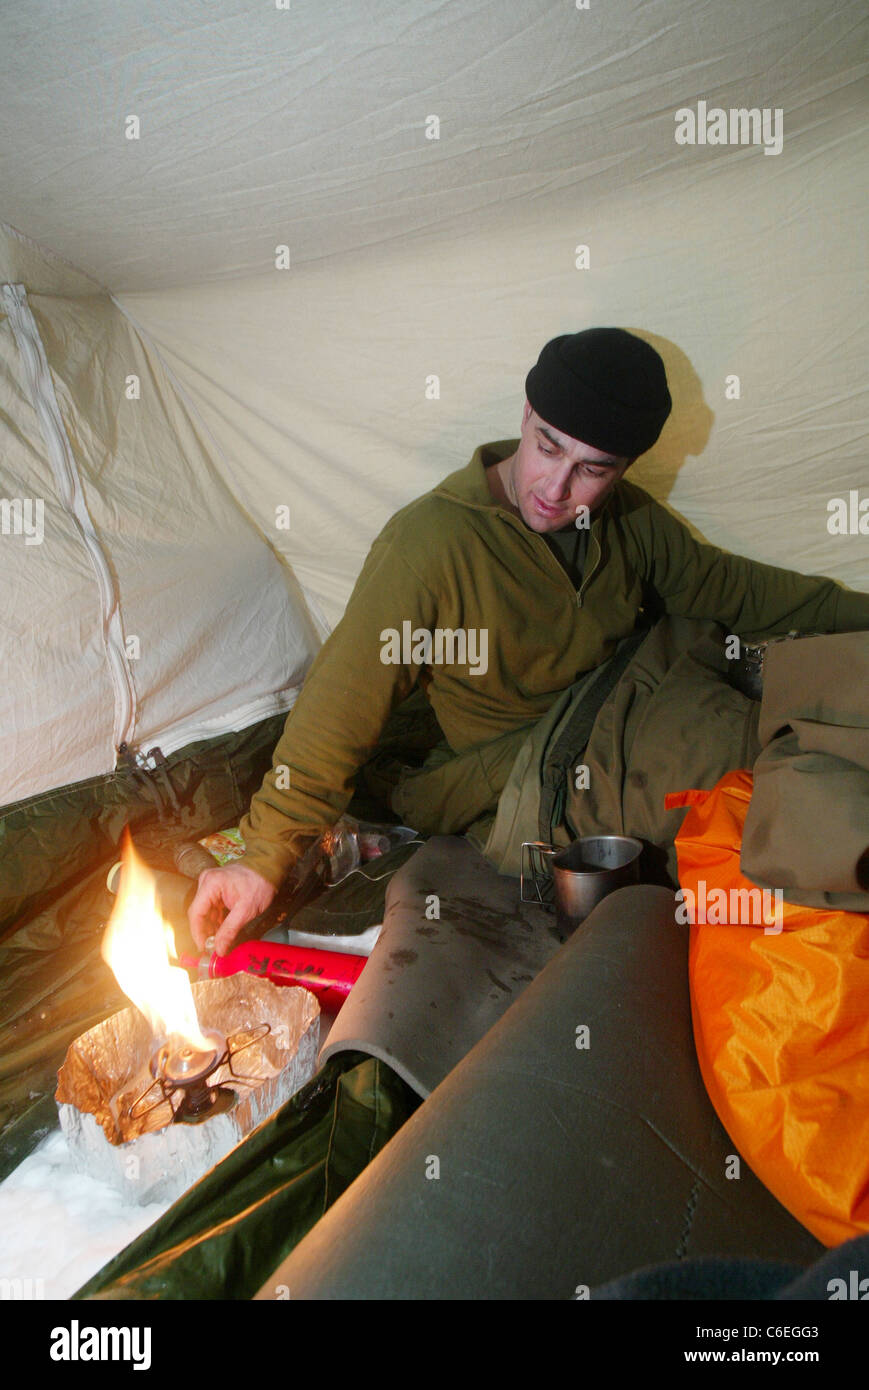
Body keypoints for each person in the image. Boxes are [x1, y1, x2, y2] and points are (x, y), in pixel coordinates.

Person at [189, 328, 869, 953]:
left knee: (835, 675)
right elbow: (338, 705)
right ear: (524, 416)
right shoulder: (429, 544)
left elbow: (737, 592)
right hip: (532, 774)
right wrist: (261, 855)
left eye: (592, 470)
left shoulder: (629, 522)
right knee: (765, 778)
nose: (556, 486)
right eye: (547, 446)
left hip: (637, 692)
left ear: (623, 470)